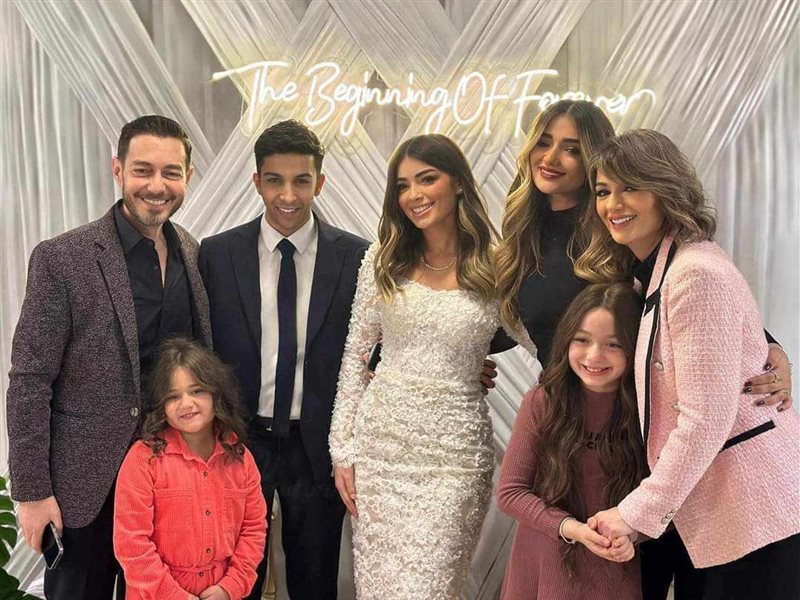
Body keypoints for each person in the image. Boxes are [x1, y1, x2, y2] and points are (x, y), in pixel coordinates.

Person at [582, 130, 800, 600]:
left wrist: (636, 514)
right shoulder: (658, 270)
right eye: (603, 191)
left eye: (630, 187)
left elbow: (705, 419)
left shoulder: (694, 273)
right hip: (727, 512)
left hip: (753, 511)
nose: (613, 204)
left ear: (665, 188)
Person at [6, 115, 212, 599]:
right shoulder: (63, 258)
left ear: (187, 176)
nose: (157, 186)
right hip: (85, 491)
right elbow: (29, 380)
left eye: (171, 172)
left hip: (167, 480)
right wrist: (32, 493)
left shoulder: (191, 251)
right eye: (143, 170)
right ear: (117, 169)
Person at [329, 133, 536, 599]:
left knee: (433, 586)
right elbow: (356, 357)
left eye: (427, 179)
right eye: (403, 186)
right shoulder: (382, 259)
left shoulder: (497, 267)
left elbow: (545, 343)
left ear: (458, 182)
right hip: (381, 452)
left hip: (454, 459)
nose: (414, 195)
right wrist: (342, 451)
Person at [198, 119, 368, 599]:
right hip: (238, 440)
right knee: (234, 579)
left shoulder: (357, 258)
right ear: (257, 181)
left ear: (320, 182)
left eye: (301, 181)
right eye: (274, 180)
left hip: (315, 446)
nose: (288, 195)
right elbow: (199, 347)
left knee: (315, 581)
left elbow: (375, 345)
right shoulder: (217, 254)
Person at [497, 283, 646, 599]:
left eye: (613, 344)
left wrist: (634, 531)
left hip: (612, 569)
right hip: (543, 561)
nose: (594, 356)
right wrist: (572, 529)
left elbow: (671, 502)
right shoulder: (543, 401)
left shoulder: (647, 410)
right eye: (582, 340)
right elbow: (510, 493)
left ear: (634, 346)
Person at [114, 338, 267, 599]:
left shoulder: (241, 459)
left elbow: (253, 530)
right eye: (173, 396)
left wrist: (229, 588)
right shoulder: (143, 459)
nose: (186, 403)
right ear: (161, 405)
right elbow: (131, 544)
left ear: (216, 394)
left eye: (196, 391)